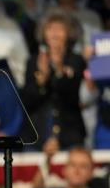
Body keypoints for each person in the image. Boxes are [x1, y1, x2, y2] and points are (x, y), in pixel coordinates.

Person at [22, 9, 88, 150]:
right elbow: (28, 100)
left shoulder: (76, 60)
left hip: (70, 135)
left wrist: (59, 69)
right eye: (50, 28)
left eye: (60, 29)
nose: (55, 33)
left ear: (69, 33)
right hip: (37, 136)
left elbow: (72, 97)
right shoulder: (34, 61)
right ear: (43, 33)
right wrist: (42, 78)